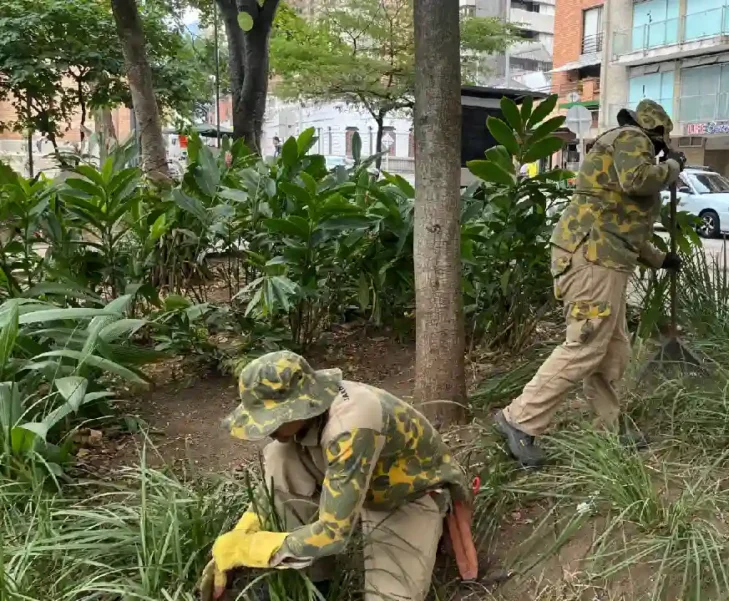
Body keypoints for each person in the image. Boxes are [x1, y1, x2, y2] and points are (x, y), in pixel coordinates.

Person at [493, 99, 685, 469]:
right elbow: (638, 180)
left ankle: (606, 430)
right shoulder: (632, 138)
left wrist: (660, 260)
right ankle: (520, 419)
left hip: (602, 257)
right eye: (661, 144)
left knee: (611, 351)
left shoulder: (618, 143)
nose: (659, 152)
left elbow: (621, 222)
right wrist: (672, 167)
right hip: (592, 259)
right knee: (584, 345)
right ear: (655, 132)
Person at [198, 351, 472, 601]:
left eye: (273, 420)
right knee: (279, 455)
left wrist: (250, 549)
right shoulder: (307, 418)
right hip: (353, 476)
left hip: (406, 494)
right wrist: (238, 537)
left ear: (302, 406)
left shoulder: (351, 425)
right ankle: (313, 583)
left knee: (390, 596)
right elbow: (274, 489)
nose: (267, 430)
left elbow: (333, 534)